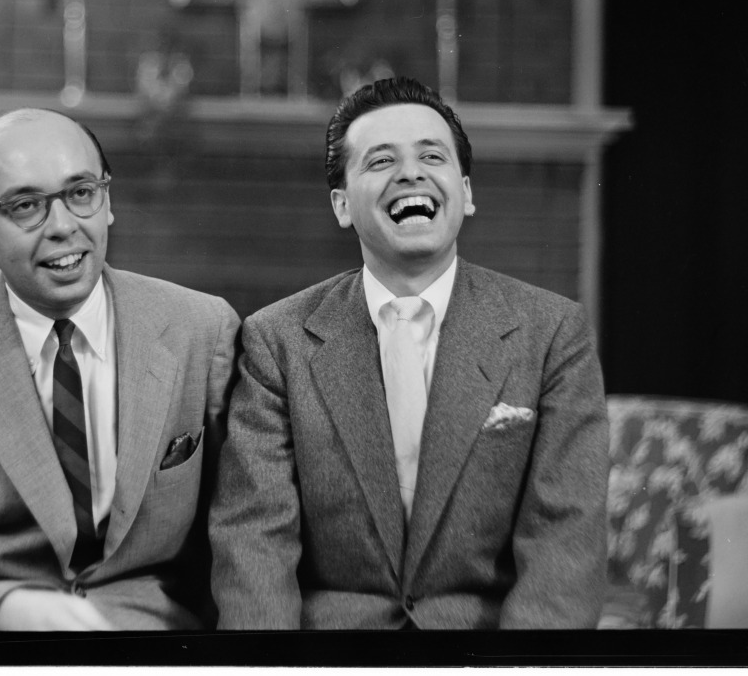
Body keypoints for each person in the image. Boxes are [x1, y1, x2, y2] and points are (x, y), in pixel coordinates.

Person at [209, 76, 609, 629]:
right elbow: (255, 542)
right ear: (342, 204)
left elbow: (564, 541)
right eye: (380, 161)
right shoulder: (275, 340)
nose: (411, 173)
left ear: (465, 193)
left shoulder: (553, 332)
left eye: (431, 155)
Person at [0, 108, 240, 630]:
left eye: (81, 193)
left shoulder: (204, 329)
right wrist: (10, 611)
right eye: (25, 206)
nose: (63, 227)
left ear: (107, 201)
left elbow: (244, 535)